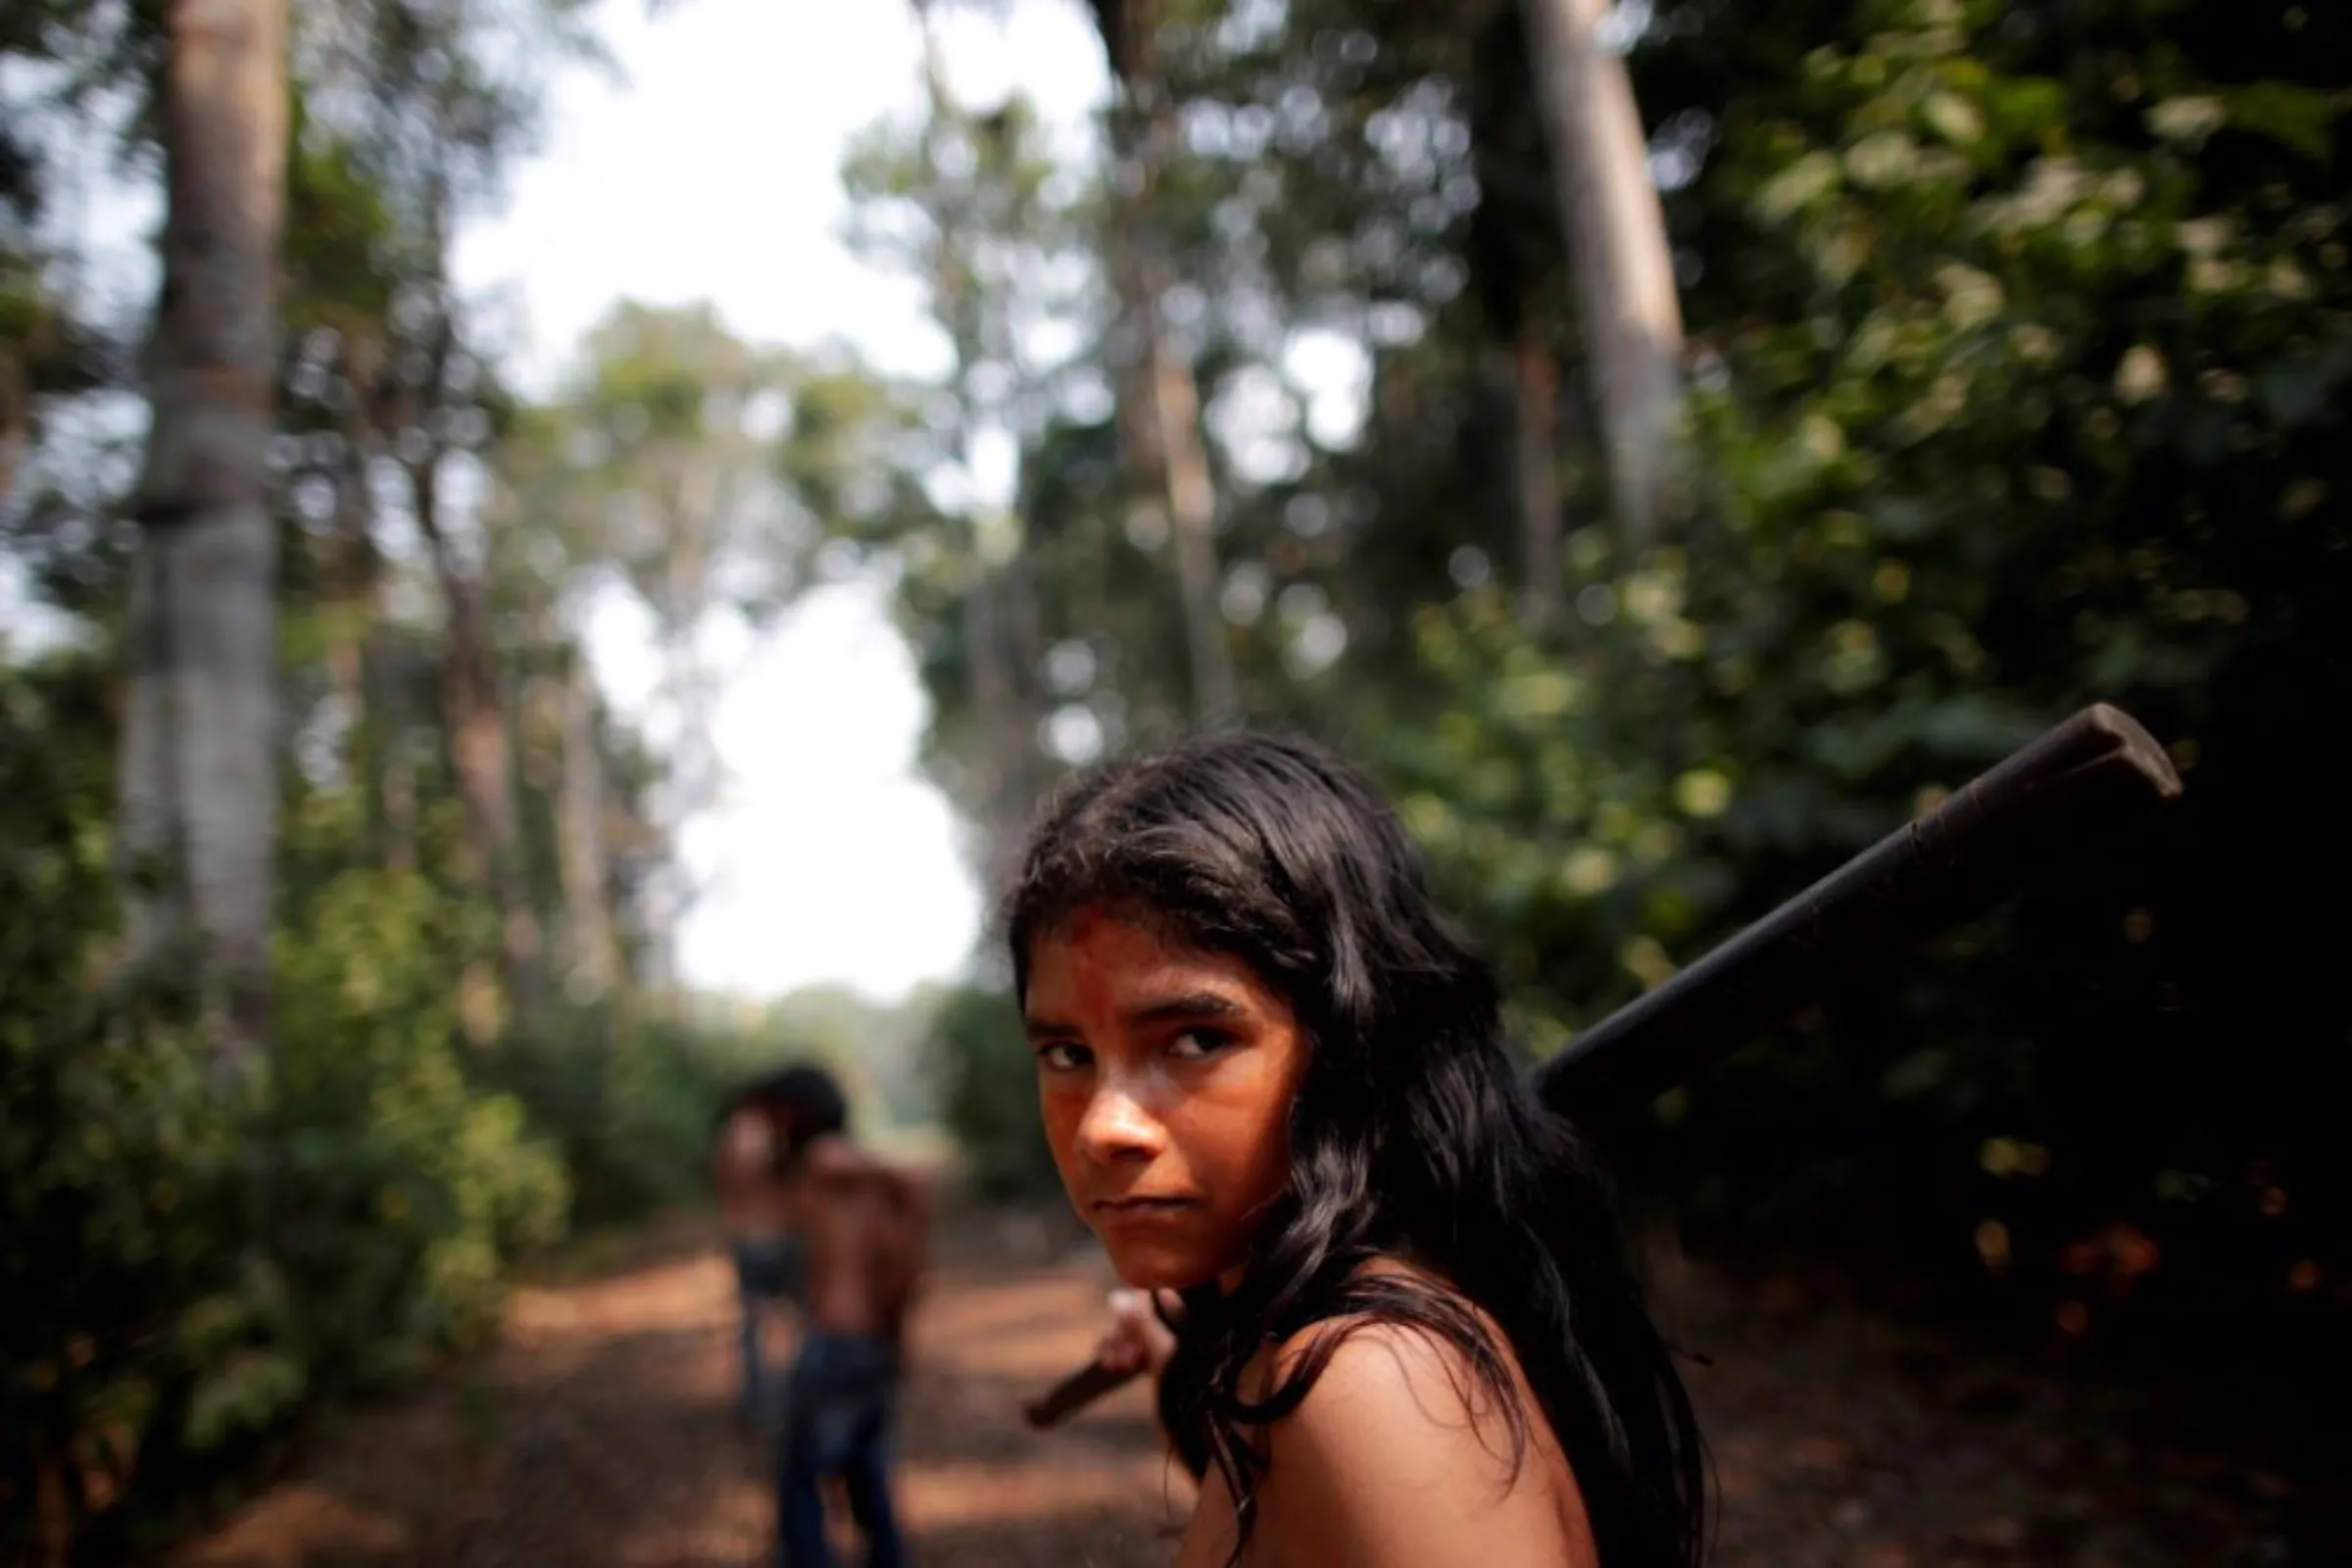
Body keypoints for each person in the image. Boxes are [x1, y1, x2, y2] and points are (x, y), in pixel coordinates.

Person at [1009, 731, 1707, 1568]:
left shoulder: (1371, 1380)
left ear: (1347, 1047)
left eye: (1196, 1039)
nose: (1103, 1127)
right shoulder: (1301, 1354)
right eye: (1067, 1055)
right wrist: (1194, 1350)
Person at [766, 1062, 930, 1568]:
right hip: (871, 1341)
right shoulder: (863, 1190)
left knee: (801, 1477)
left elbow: (899, 1177)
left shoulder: (825, 1158)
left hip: (834, 1343)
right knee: (866, 1471)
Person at [711, 1068, 828, 1432]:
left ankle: (765, 1404)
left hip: (753, 1238)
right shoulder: (767, 1129)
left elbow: (723, 1183)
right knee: (788, 1324)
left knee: (760, 1328)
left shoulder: (735, 1131)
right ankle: (784, 1401)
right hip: (774, 1238)